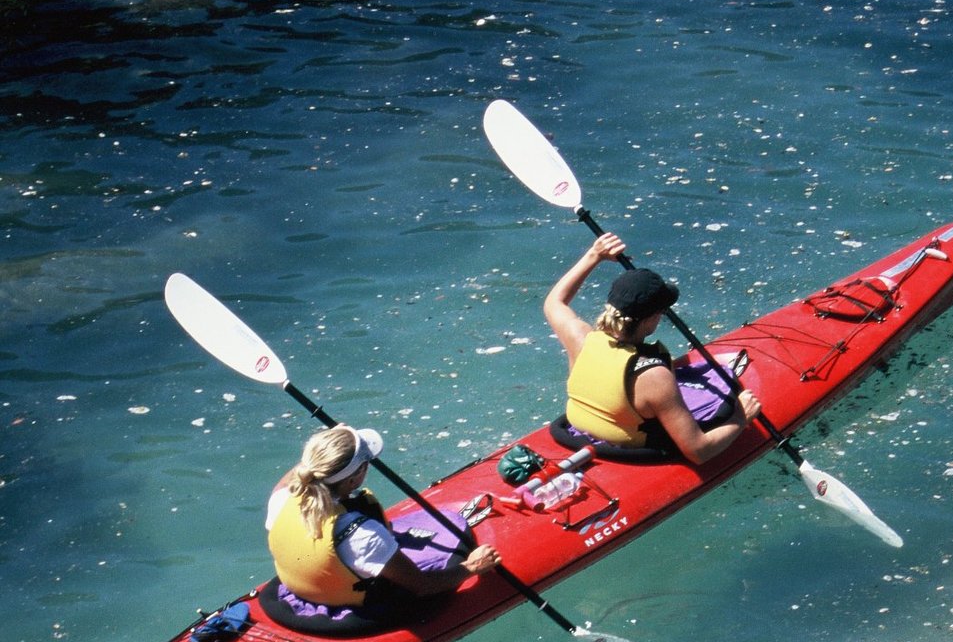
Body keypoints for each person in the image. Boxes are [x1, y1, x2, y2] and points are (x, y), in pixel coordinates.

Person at [543, 232, 761, 464]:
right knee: (722, 406)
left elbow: (554, 301)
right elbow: (699, 451)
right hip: (629, 448)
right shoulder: (654, 377)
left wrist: (594, 254)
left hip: (578, 431)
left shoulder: (580, 338)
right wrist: (740, 417)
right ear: (649, 320)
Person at [265, 424, 499, 617]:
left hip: (302, 588)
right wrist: (472, 567)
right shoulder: (361, 535)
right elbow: (421, 586)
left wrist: (329, 445)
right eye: (365, 465)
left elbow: (305, 470)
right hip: (354, 606)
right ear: (354, 479)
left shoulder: (283, 496)